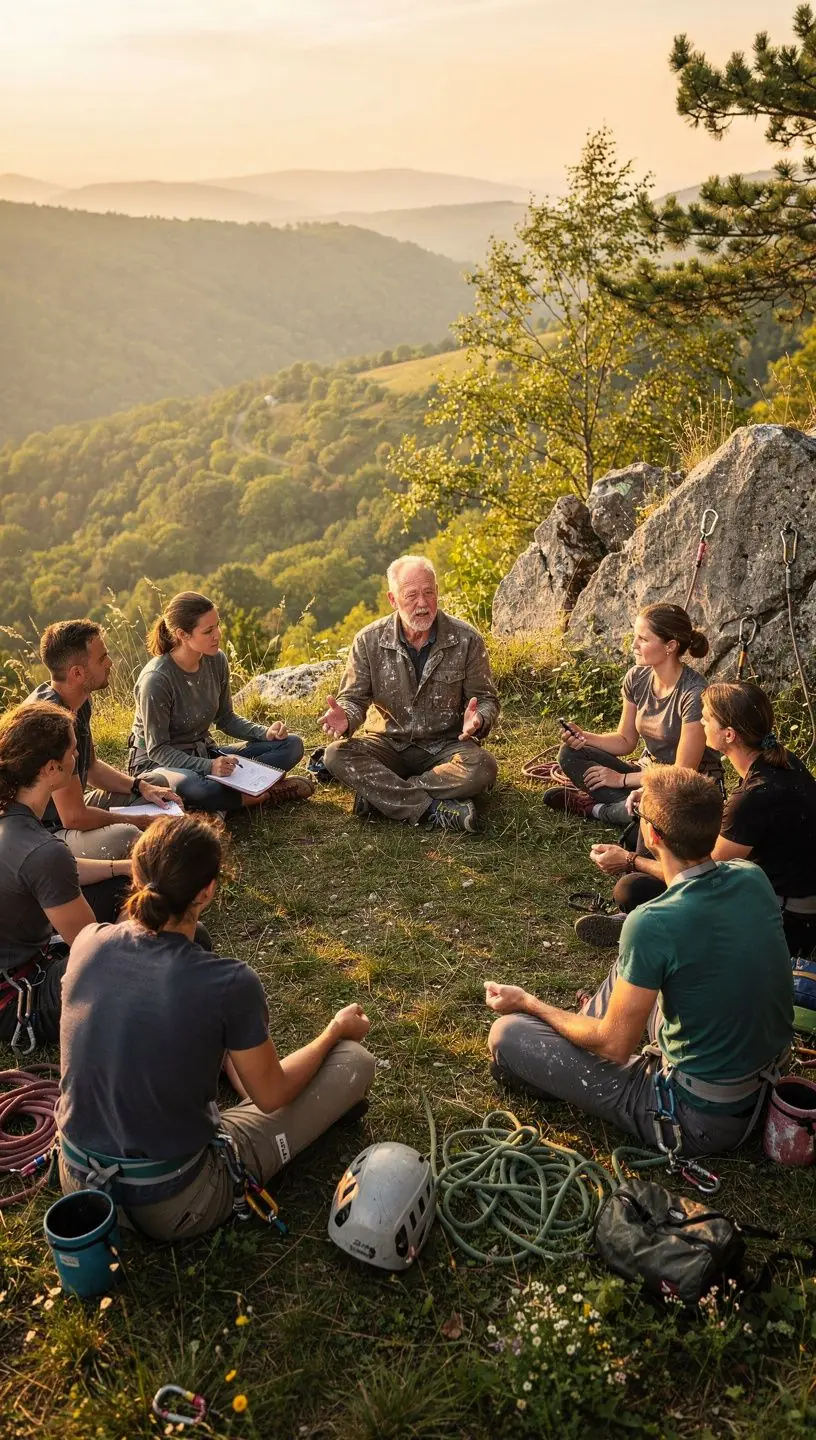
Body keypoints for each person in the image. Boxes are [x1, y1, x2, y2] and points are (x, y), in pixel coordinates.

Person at [56, 814, 376, 1241]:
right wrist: (334, 1031)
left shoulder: (88, 941)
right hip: (173, 1202)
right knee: (354, 1061)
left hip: (77, 1181)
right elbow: (271, 1095)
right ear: (206, 891)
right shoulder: (230, 982)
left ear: (135, 873)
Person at [486, 766, 793, 1158]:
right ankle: (584, 1033)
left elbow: (614, 1047)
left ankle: (570, 1052)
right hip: (767, 1083)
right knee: (628, 972)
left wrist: (528, 1002)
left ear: (651, 835)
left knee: (507, 1034)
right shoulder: (751, 877)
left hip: (698, 1118)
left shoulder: (651, 923)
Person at [582, 682, 816, 954]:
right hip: (787, 895)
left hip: (785, 923)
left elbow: (699, 876)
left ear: (729, 734)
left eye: (706, 718)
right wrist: (655, 792)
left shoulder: (754, 797)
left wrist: (630, 861)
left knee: (632, 889)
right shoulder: (784, 761)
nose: (701, 722)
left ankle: (651, 924)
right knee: (655, 832)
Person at [319, 555, 499, 832]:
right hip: (387, 744)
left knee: (483, 767)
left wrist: (478, 720)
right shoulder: (368, 640)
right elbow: (353, 700)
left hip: (444, 746)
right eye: (412, 595)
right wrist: (346, 717)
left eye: (429, 592)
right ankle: (432, 809)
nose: (423, 603)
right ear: (393, 600)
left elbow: (486, 699)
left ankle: (382, 795)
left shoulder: (467, 639)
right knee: (335, 755)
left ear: (437, 592)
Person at [0, 701, 131, 1049]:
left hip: (20, 957)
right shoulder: (41, 850)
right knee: (179, 941)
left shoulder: (10, 818)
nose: (78, 759)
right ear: (51, 769)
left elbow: (54, 874)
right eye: (73, 752)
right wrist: (133, 916)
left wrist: (125, 868)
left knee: (122, 884)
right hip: (18, 1000)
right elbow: (97, 955)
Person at [129, 592, 312, 814]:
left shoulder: (216, 659)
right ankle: (259, 795)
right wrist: (208, 767)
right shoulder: (157, 679)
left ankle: (224, 802)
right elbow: (158, 750)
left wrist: (265, 733)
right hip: (159, 765)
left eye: (217, 626)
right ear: (182, 634)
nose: (217, 635)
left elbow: (226, 718)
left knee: (291, 745)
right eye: (208, 631)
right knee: (198, 788)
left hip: (204, 753)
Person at [544, 603, 722, 823]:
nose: (634, 645)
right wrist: (585, 738)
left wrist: (621, 779)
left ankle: (597, 809)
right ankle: (631, 810)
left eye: (643, 639)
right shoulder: (637, 677)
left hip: (687, 787)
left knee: (666, 816)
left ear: (671, 646)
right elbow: (625, 740)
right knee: (570, 754)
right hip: (647, 773)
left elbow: (682, 772)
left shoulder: (694, 693)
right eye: (635, 636)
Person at [27, 619, 181, 861]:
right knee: (127, 835)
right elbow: (74, 817)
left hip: (65, 813)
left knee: (155, 782)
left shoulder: (78, 700)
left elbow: (92, 767)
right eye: (102, 659)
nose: (109, 663)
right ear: (77, 673)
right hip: (45, 833)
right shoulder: (51, 724)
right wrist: (140, 820)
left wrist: (141, 787)